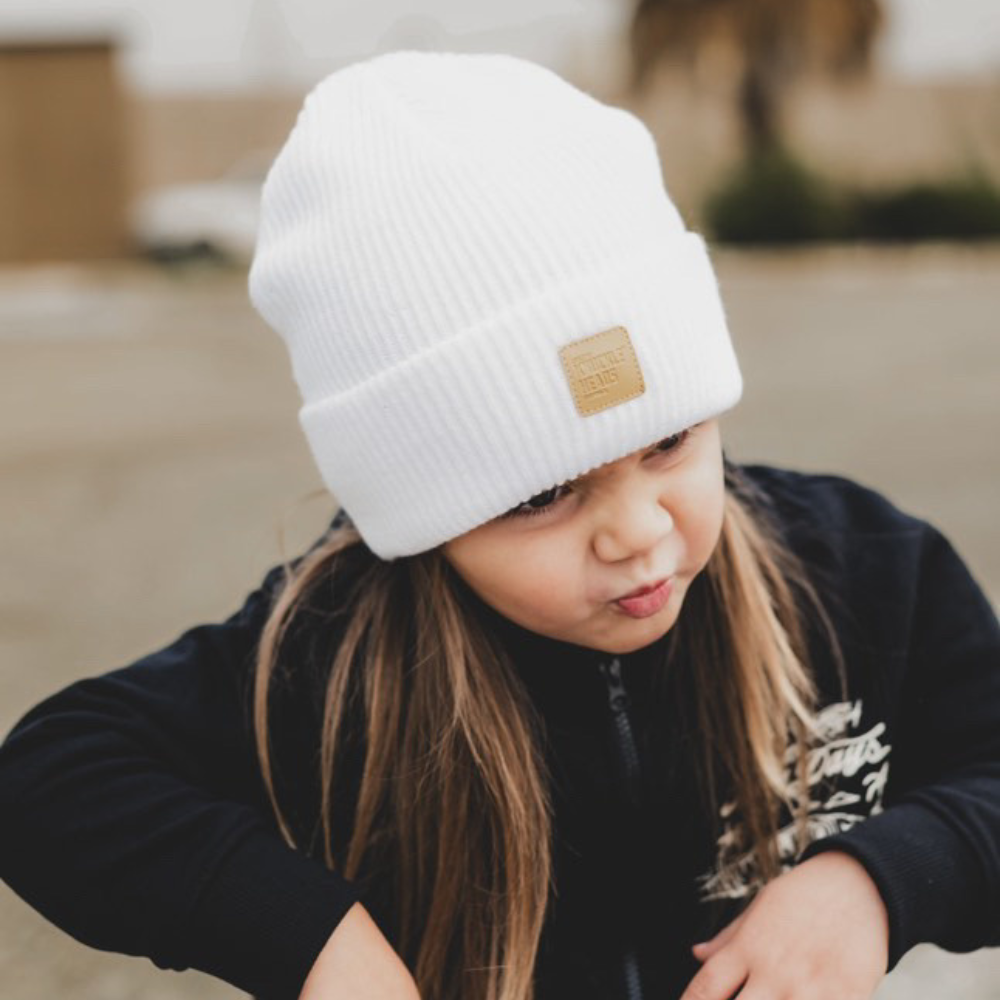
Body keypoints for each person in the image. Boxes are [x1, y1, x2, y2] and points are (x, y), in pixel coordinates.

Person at [1, 50, 998, 1000]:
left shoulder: (865, 570)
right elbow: (49, 780)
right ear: (422, 514)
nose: (636, 531)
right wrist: (312, 939)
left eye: (668, 441)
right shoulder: (334, 652)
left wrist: (875, 878)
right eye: (539, 494)